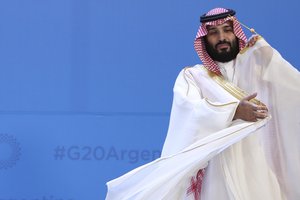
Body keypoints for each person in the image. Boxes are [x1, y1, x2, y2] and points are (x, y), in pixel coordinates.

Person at [106, 8, 300, 200]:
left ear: (236, 33)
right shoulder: (193, 77)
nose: (222, 37)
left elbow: (292, 91)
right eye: (213, 33)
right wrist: (234, 112)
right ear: (204, 40)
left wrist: (265, 54)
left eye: (227, 29)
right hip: (215, 171)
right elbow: (191, 114)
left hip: (258, 167)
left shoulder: (259, 69)